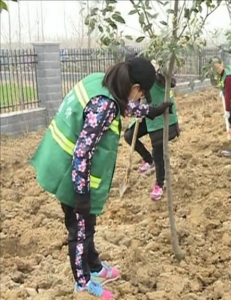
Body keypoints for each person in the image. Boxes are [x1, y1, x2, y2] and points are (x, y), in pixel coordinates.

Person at [29, 57, 173, 299]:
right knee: (79, 228)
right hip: (70, 171)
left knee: (88, 225)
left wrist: (150, 111)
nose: (140, 99)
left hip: (60, 159)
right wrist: (82, 194)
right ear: (136, 88)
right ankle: (83, 283)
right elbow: (83, 152)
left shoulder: (102, 82)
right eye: (142, 95)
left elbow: (122, 104)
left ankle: (93, 265)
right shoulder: (104, 107)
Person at [124, 57, 180, 201]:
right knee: (129, 135)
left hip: (164, 115)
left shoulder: (157, 75)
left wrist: (158, 71)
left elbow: (171, 82)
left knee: (158, 148)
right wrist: (138, 109)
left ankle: (160, 184)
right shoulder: (134, 81)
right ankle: (149, 160)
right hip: (147, 113)